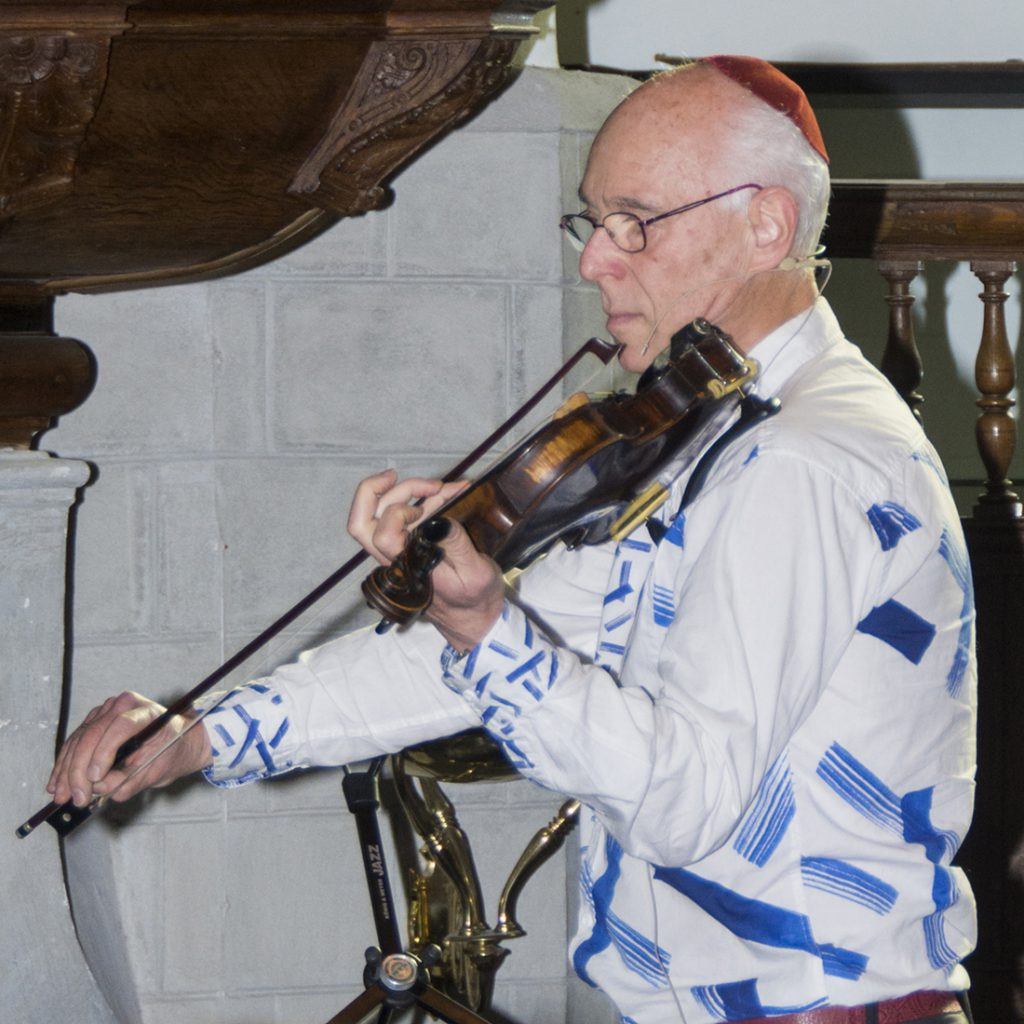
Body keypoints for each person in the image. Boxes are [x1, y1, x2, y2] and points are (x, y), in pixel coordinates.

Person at [47, 57, 977, 1024]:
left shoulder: (805, 461)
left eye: (636, 222)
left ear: (765, 226)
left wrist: (489, 629)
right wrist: (202, 734)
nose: (594, 259)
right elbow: (455, 658)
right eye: (594, 220)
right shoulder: (707, 436)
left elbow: (683, 802)